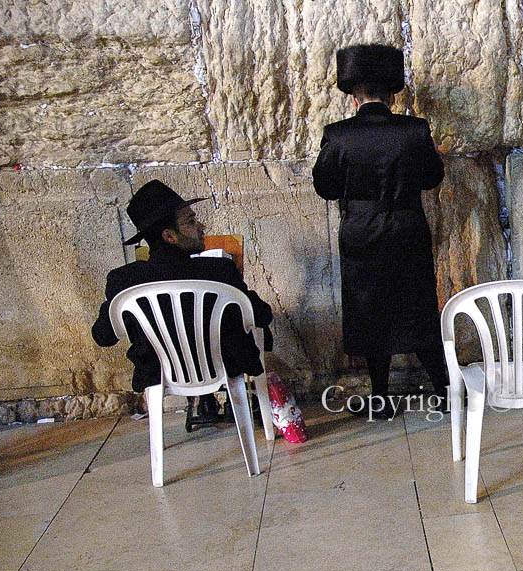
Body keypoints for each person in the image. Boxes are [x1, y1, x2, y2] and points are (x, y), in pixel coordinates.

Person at [312, 44, 448, 420]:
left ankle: (382, 398)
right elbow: (433, 177)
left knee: (370, 311)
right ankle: (445, 390)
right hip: (407, 228)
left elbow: (324, 187)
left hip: (360, 233)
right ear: (391, 95)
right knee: (418, 309)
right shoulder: (414, 130)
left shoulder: (337, 135)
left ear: (354, 96)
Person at [92, 180, 274, 427]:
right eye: (190, 221)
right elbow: (262, 315)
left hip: (160, 373)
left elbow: (103, 336)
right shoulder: (219, 271)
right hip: (223, 367)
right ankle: (230, 402)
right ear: (169, 236)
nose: (201, 227)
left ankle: (200, 402)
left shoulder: (123, 281)